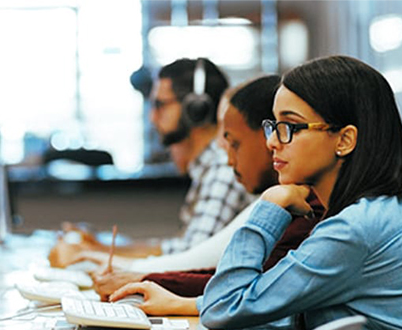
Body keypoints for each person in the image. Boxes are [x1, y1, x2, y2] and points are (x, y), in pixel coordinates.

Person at [112, 55, 402, 330]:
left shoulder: (354, 230)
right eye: (272, 125)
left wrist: (270, 204)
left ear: (345, 140)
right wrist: (188, 305)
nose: (272, 142)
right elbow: (297, 316)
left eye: (290, 127)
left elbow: (226, 305)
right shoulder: (382, 210)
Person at [91, 75, 324, 301]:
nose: (272, 141)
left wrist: (141, 278)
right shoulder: (293, 199)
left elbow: (241, 292)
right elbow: (235, 285)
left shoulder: (309, 210)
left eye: (289, 128)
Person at [49, 58, 252, 265]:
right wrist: (99, 248)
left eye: (160, 105)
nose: (152, 117)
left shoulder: (222, 169)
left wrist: (95, 253)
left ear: (195, 109)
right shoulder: (208, 169)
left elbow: (189, 259)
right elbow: (179, 248)